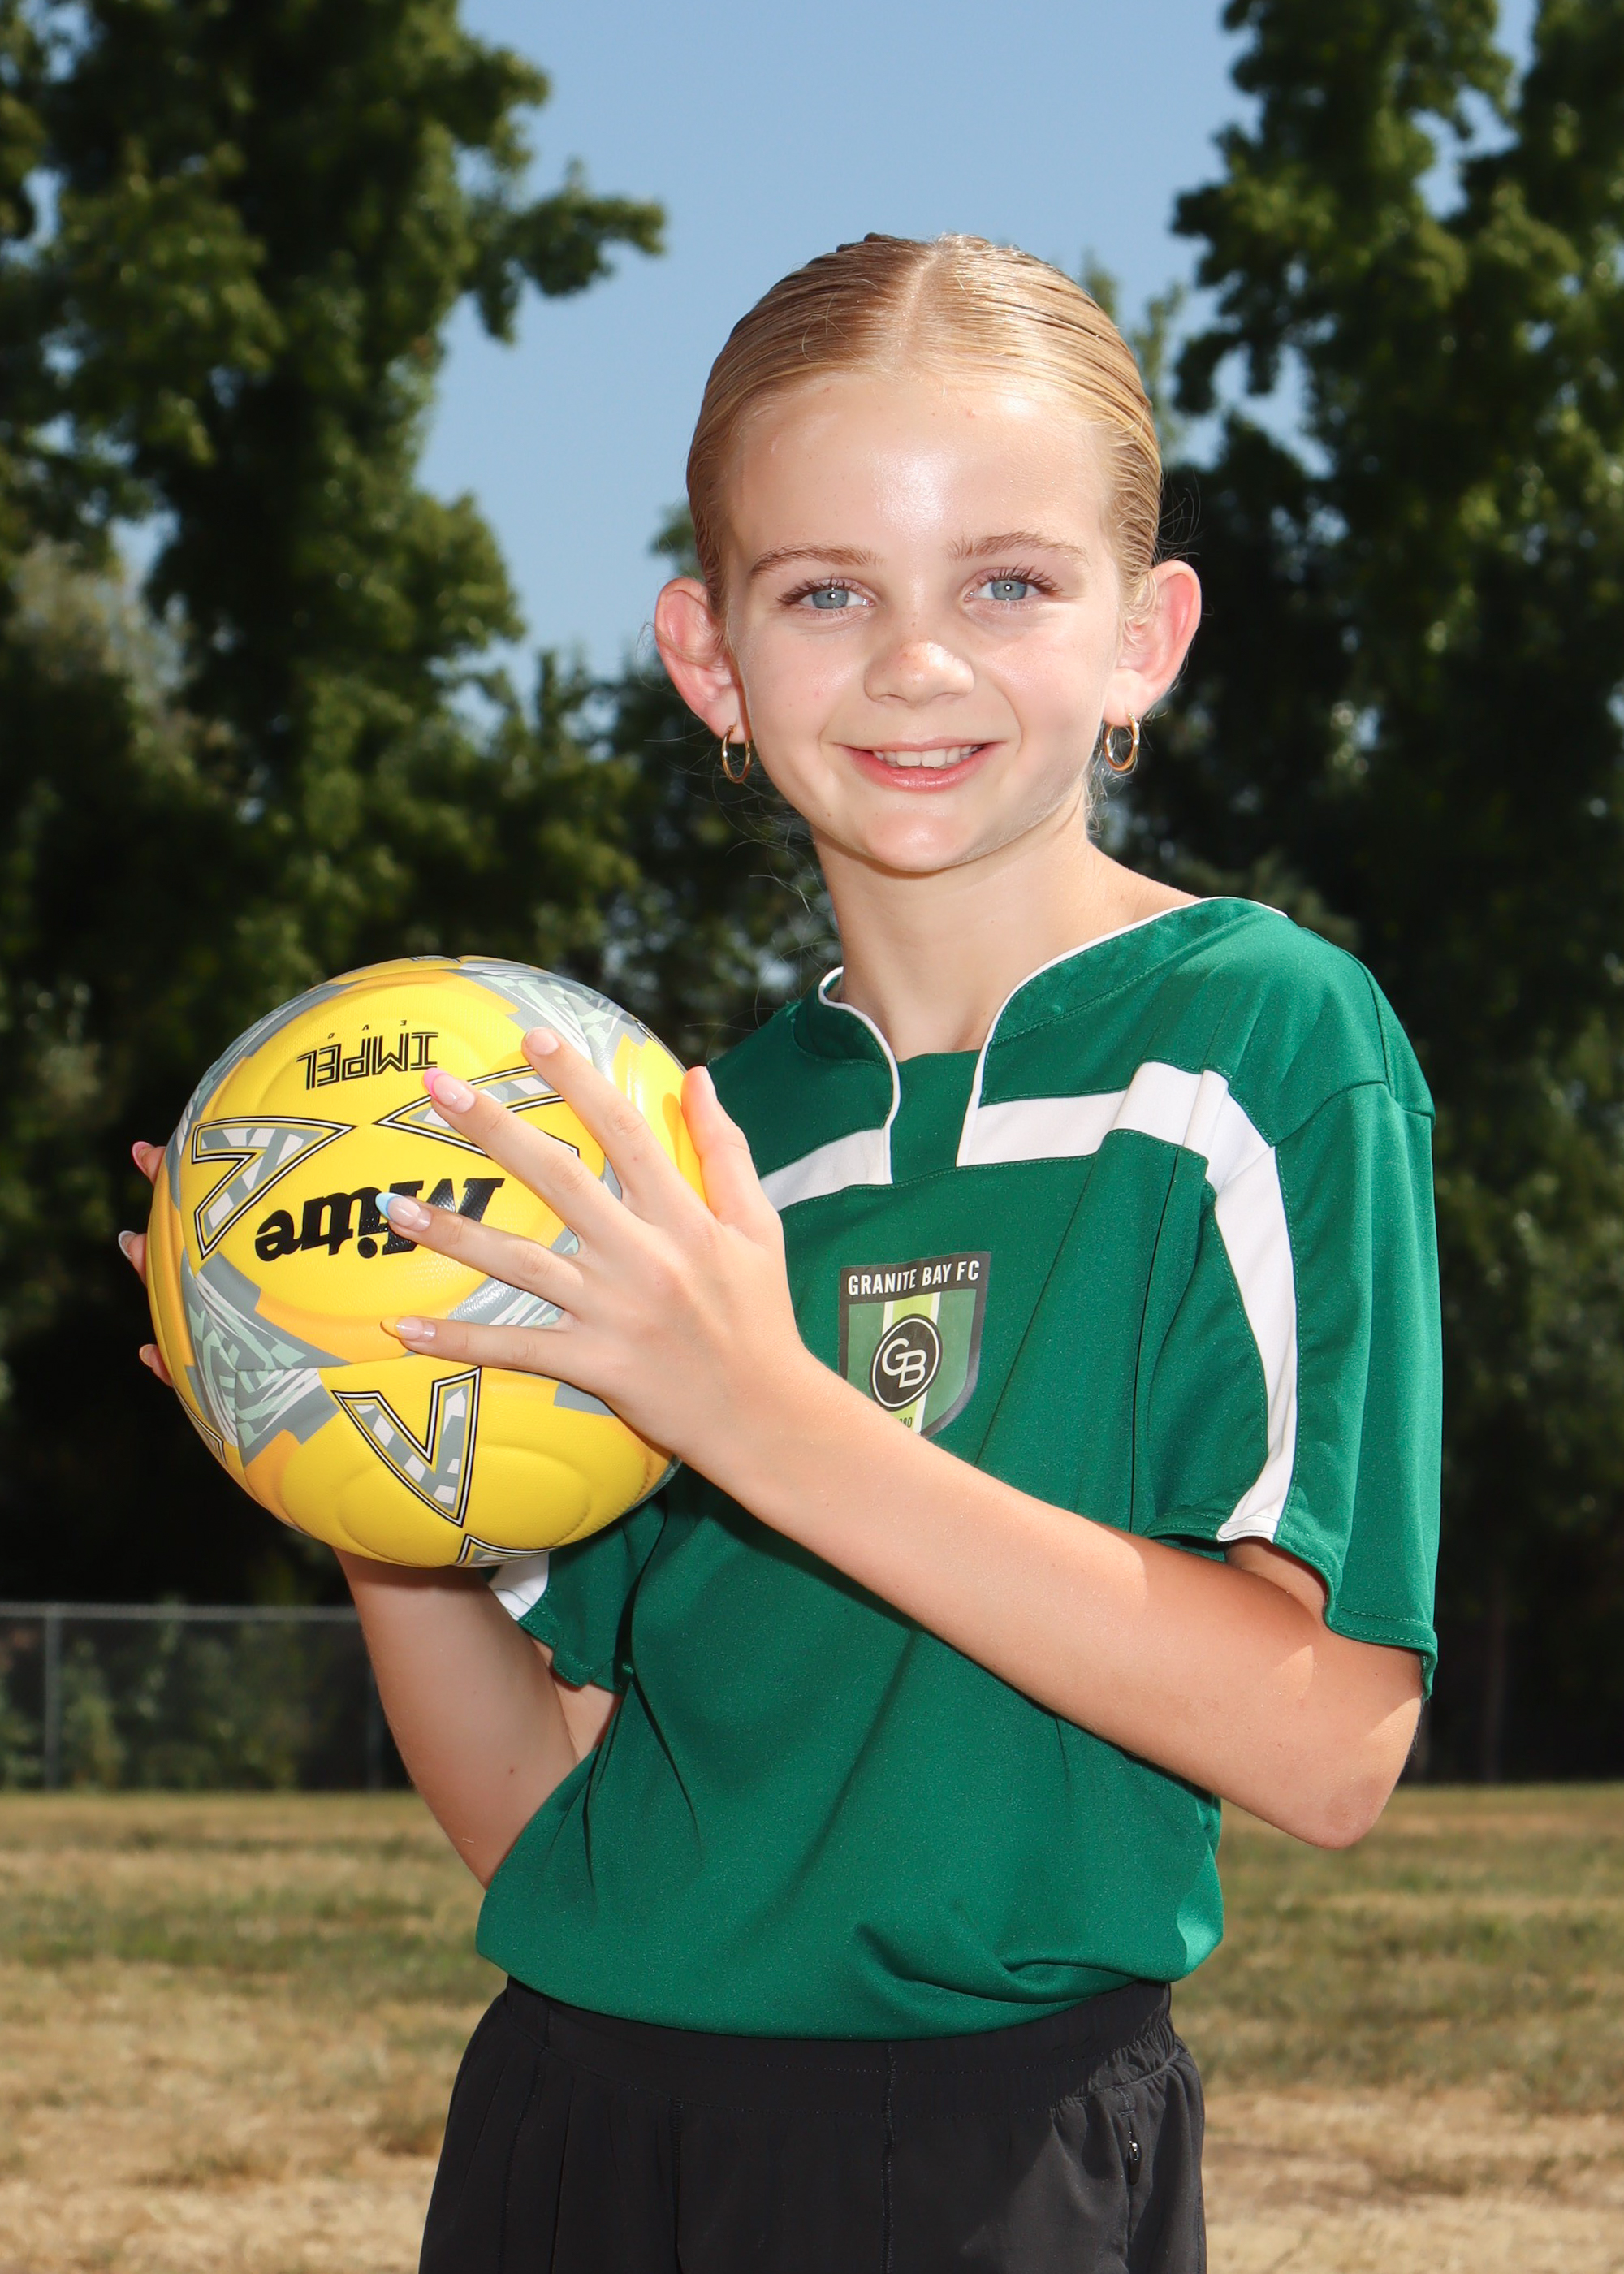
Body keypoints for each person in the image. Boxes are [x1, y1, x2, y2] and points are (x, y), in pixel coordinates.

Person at [125, 234, 1441, 2273]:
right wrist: (344, 1438)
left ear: (1144, 636)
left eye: (1006, 583)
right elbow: (544, 1807)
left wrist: (755, 1405)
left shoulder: (1254, 1045)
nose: (916, 661)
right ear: (710, 659)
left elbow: (1326, 1739)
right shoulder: (672, 1142)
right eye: (828, 591)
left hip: (980, 2148)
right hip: (571, 2121)